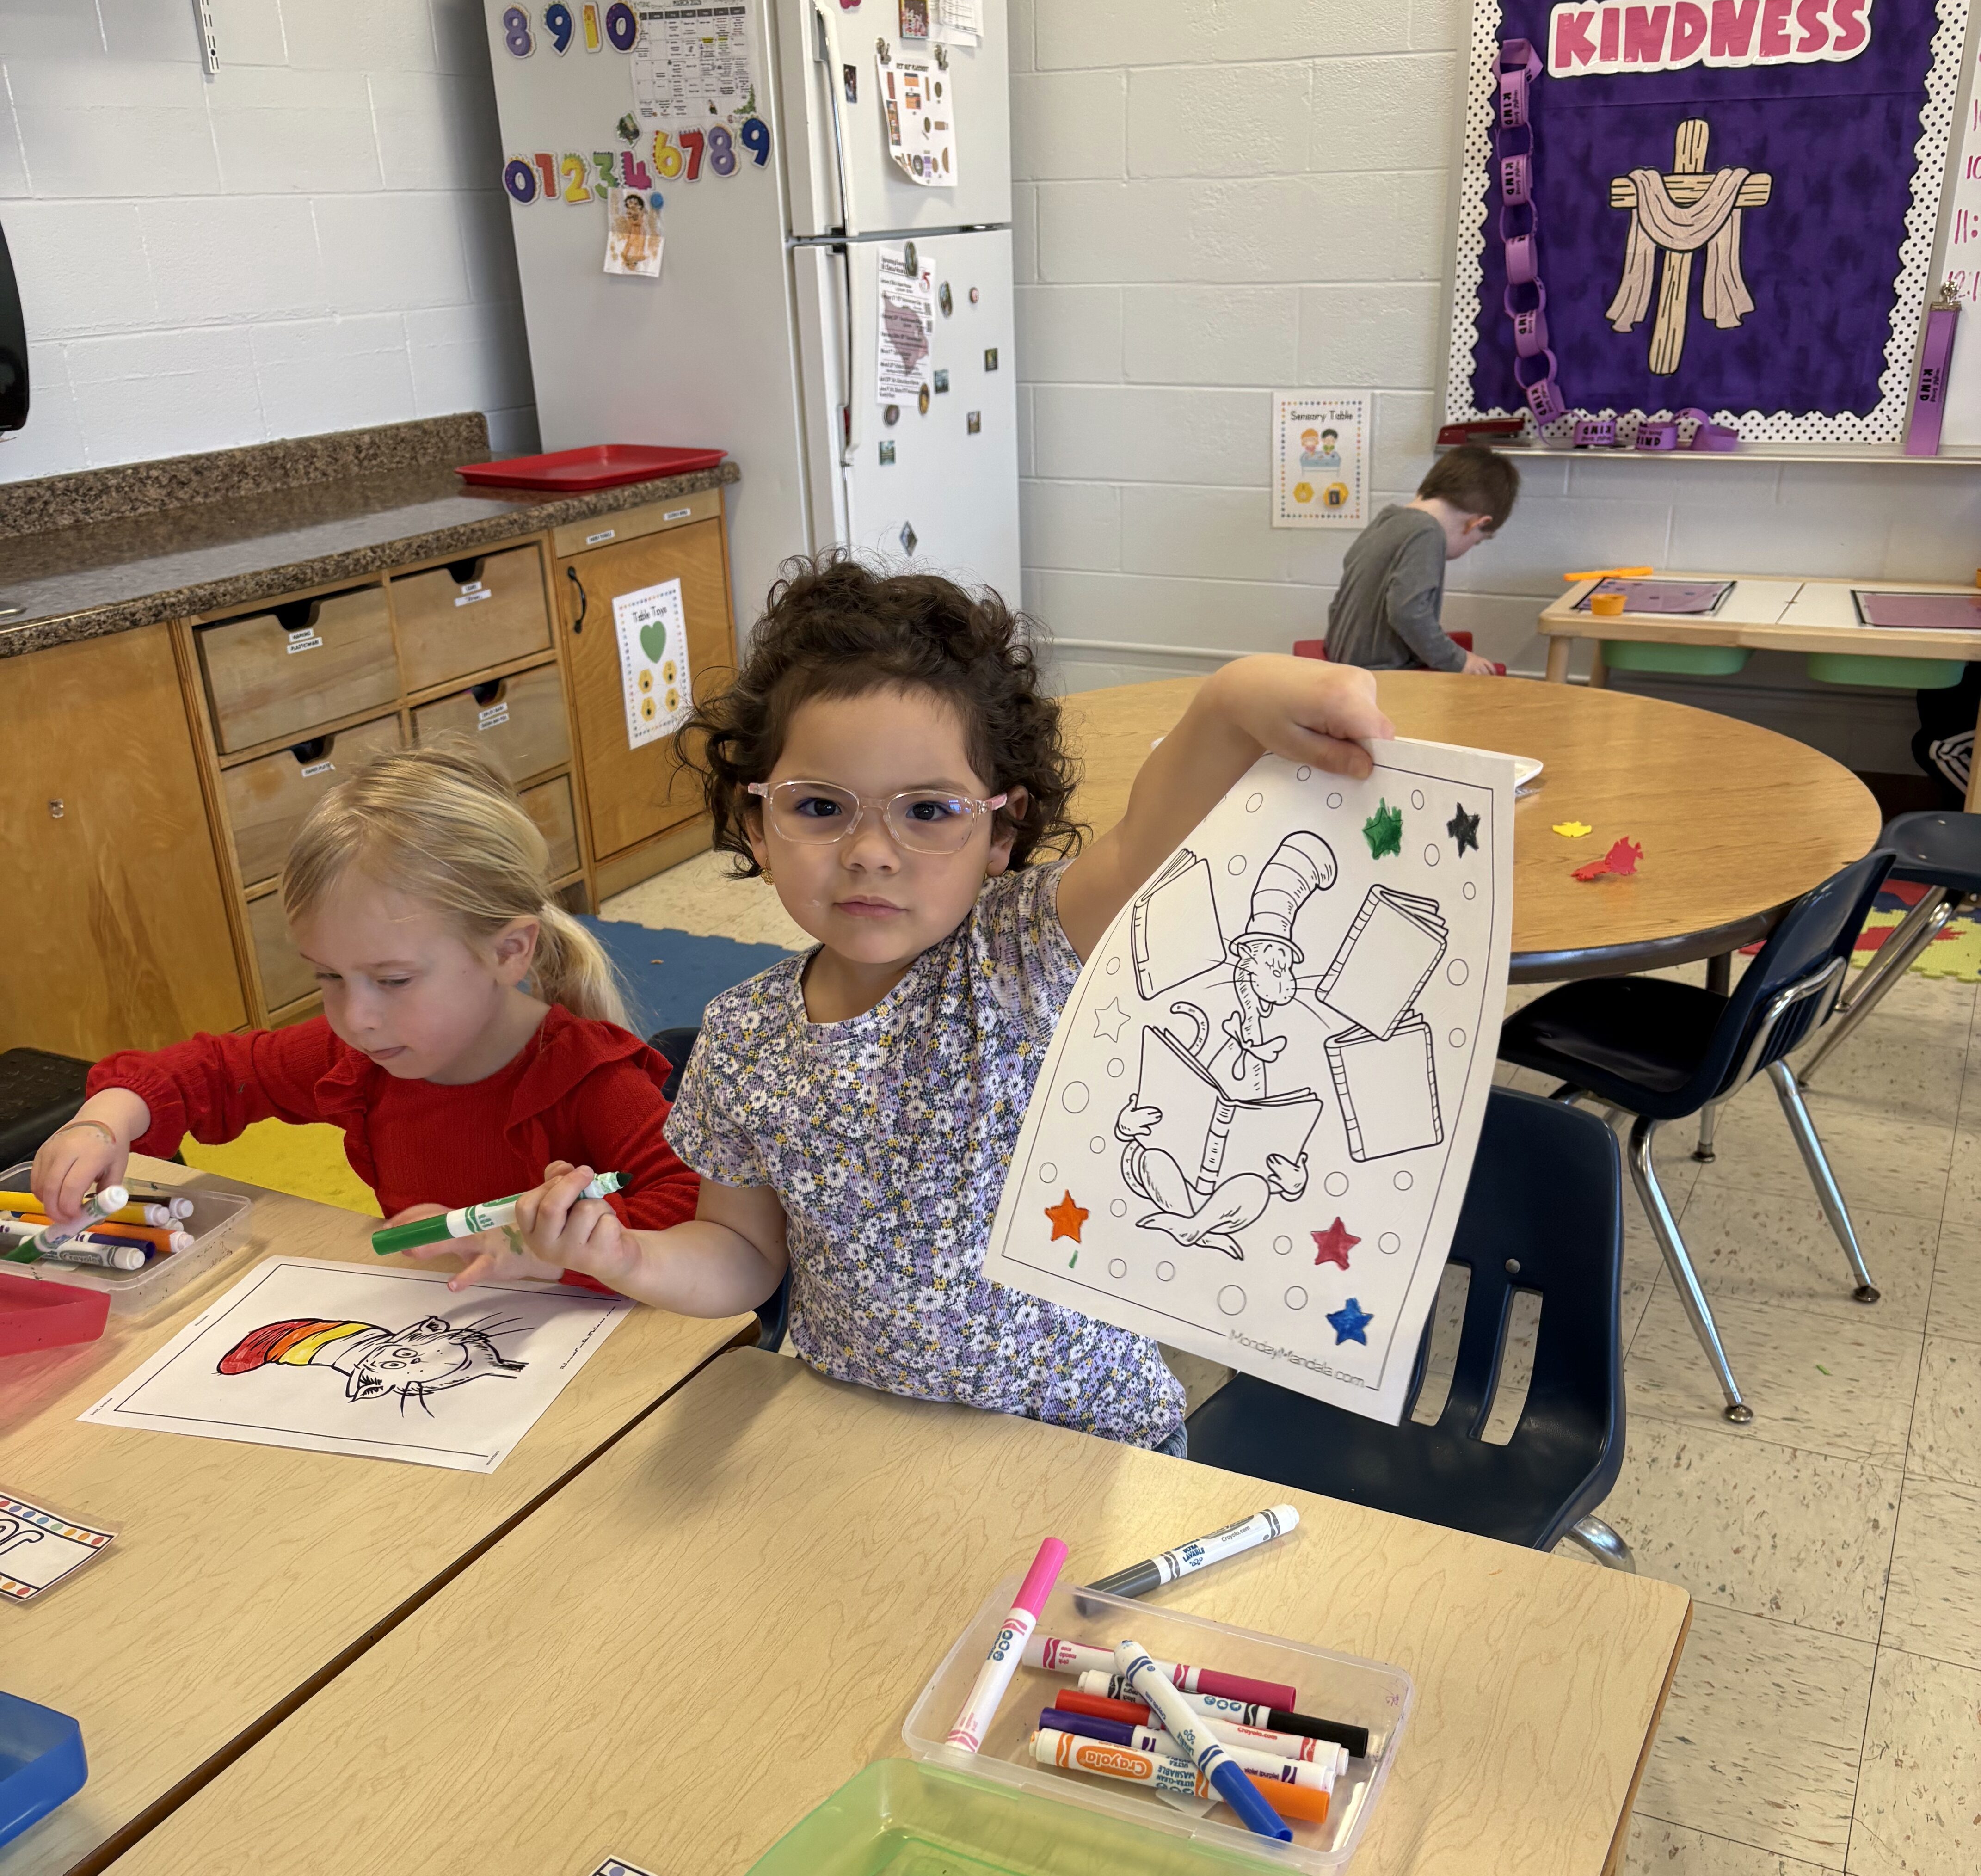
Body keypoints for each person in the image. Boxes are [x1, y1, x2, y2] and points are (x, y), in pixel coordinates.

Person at [500, 557, 1391, 1450]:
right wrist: (625, 1256)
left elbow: (1143, 844)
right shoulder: (742, 1035)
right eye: (819, 806)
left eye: (927, 811)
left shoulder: (1021, 949)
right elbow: (743, 1254)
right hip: (864, 1435)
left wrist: (1228, 703)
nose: (870, 851)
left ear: (1000, 831)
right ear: (755, 822)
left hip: (1081, 1433)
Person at [31, 748, 696, 1289]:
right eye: (327, 976)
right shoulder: (358, 1057)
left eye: (393, 980)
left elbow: (696, 1215)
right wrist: (104, 1121)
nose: (356, 1017)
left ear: (507, 952)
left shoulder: (589, 1077)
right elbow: (211, 1071)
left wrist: (542, 1252)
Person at [1323, 447, 1520, 676]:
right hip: (1379, 673)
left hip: (1340, 657)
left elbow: (1341, 599)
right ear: (1476, 523)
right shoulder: (1428, 533)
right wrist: (1459, 660)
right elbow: (1408, 613)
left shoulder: (1387, 519)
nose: (1471, 547)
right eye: (1477, 542)